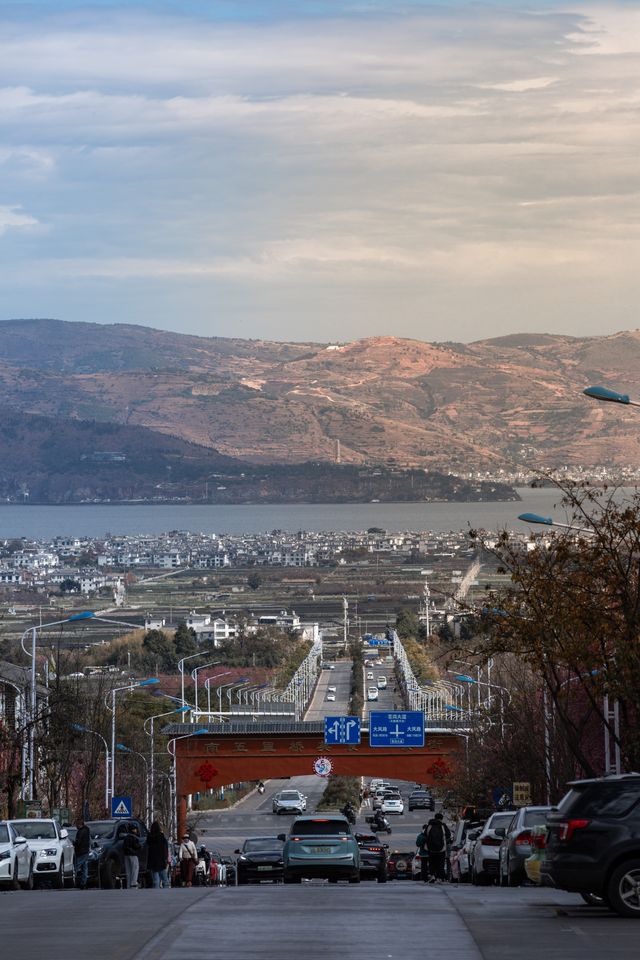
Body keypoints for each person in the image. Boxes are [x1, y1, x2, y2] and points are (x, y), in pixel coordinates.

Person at [425, 813, 452, 882]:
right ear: (441, 818)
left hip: (430, 848)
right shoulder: (443, 825)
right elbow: (448, 835)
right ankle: (440, 877)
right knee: (440, 863)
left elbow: (425, 834)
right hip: (441, 848)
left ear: (434, 817)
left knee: (431, 862)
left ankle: (432, 875)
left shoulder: (429, 825)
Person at [147, 821, 170, 889]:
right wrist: (166, 858)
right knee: (165, 880)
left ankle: (156, 893)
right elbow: (165, 848)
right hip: (160, 860)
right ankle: (166, 893)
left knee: (155, 880)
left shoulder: (149, 837)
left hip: (152, 862)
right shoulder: (161, 836)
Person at [122, 823, 141, 889]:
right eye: (135, 829)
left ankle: (128, 884)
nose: (136, 830)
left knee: (128, 871)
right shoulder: (134, 837)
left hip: (126, 855)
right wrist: (138, 847)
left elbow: (124, 847)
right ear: (134, 829)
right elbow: (136, 846)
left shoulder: (126, 837)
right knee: (135, 869)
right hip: (133, 855)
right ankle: (133, 883)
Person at [74, 818, 91, 890]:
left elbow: (78, 842)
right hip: (85, 850)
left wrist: (74, 843)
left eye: (76, 825)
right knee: (85, 867)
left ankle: (73, 880)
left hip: (81, 851)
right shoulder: (87, 830)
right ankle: (84, 882)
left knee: (76, 866)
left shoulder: (81, 831)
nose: (75, 826)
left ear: (79, 824)